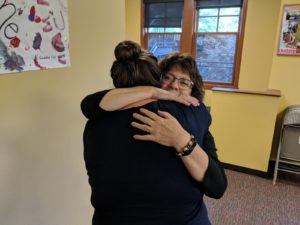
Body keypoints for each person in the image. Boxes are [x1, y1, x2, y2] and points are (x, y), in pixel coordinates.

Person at [81, 41, 227, 225]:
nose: (175, 87)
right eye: (168, 78)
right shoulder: (196, 114)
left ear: (193, 91)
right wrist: (153, 92)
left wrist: (181, 139)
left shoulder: (196, 115)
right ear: (156, 78)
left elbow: (217, 186)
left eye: (184, 82)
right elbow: (89, 104)